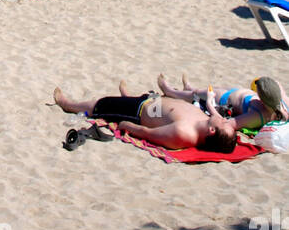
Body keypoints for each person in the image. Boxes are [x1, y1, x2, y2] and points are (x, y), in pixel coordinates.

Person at [53, 81, 238, 153]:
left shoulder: (184, 133)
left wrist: (127, 126)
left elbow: (149, 133)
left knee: (102, 104)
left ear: (212, 130)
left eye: (224, 123)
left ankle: (67, 104)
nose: (224, 119)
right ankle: (128, 96)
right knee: (147, 99)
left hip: (138, 111)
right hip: (153, 104)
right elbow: (212, 110)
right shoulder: (206, 121)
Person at [157, 73, 288, 132]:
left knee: (197, 94)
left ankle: (169, 91)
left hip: (223, 99)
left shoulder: (256, 115)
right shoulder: (284, 103)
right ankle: (187, 89)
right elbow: (277, 84)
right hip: (235, 93)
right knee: (199, 91)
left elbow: (226, 124)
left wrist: (209, 102)